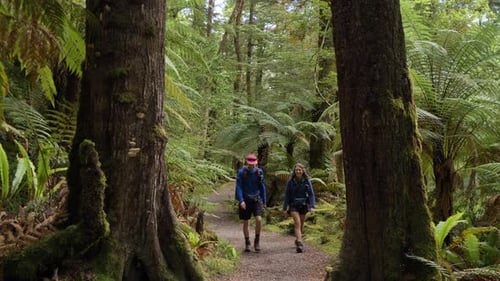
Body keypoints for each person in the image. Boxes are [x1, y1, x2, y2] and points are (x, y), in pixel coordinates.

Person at [235, 153, 267, 252]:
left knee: (259, 219)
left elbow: (262, 187)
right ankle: (247, 242)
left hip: (256, 199)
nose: (251, 165)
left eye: (253, 163)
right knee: (246, 221)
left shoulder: (259, 172)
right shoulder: (241, 172)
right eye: (250, 163)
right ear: (247, 162)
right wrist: (241, 200)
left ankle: (257, 241)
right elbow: (239, 187)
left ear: (255, 163)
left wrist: (264, 201)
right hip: (245, 199)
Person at [282, 163, 316, 253]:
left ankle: (298, 239)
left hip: (304, 205)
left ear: (303, 171)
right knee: (297, 223)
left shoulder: (307, 181)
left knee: (301, 224)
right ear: (294, 171)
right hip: (293, 205)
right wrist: (285, 208)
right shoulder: (290, 182)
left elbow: (311, 194)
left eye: (300, 170)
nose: (298, 171)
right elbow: (287, 196)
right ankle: (300, 244)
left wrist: (312, 206)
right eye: (296, 170)